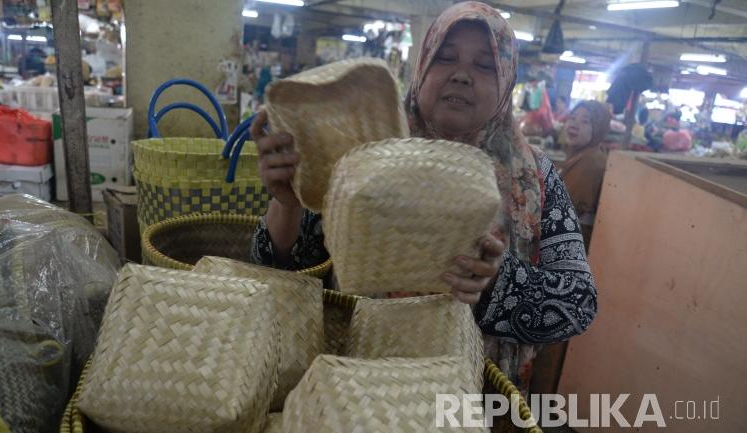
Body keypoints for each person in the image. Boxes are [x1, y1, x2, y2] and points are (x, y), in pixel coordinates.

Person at [249, 1, 597, 392]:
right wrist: (288, 203)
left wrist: (496, 286)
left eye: (484, 65)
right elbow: (280, 270)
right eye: (445, 58)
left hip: (474, 405)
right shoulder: (363, 153)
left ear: (506, 82)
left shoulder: (536, 178)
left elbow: (577, 305)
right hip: (357, 389)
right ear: (422, 68)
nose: (462, 75)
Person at [558, 101, 611, 249]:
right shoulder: (581, 155)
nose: (574, 124)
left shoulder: (592, 163)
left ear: (598, 129)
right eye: (572, 118)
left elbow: (564, 210)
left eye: (585, 121)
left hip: (569, 243)